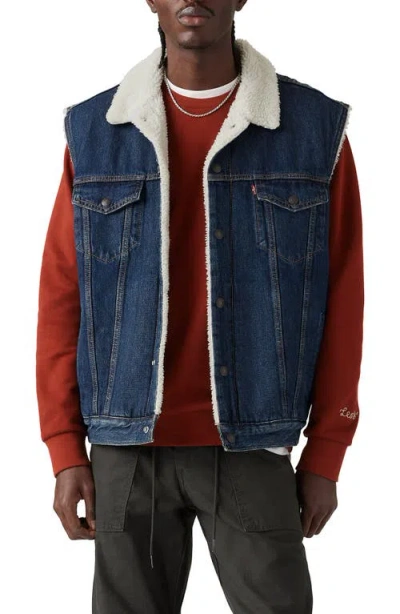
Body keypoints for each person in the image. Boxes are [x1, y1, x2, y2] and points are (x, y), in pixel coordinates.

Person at [36, 1, 364, 612]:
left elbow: (343, 297)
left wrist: (327, 447)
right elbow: (62, 295)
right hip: (125, 448)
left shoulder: (313, 130)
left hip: (254, 443)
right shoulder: (95, 132)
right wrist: (63, 444)